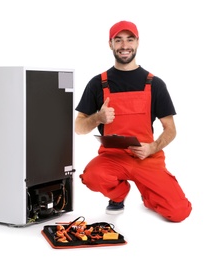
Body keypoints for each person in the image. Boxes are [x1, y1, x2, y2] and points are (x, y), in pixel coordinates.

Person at [75, 20, 192, 222]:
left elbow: (170, 129)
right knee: (93, 177)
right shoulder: (98, 83)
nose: (124, 45)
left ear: (137, 42)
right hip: (113, 158)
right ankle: (119, 194)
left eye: (130, 39)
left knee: (179, 212)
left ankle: (149, 197)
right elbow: (79, 127)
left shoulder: (155, 83)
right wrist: (98, 118)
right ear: (110, 44)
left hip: (147, 158)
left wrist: (152, 148)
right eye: (118, 40)